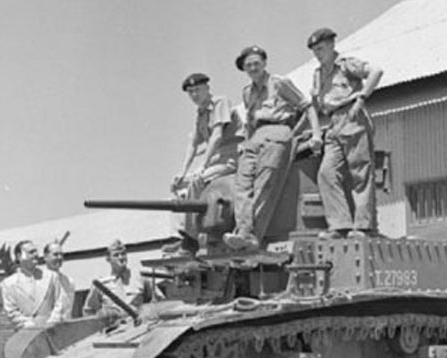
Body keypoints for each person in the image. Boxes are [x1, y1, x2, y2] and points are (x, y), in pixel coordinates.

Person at [223, 45, 322, 251]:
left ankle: (251, 236)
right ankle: (243, 231)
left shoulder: (279, 83)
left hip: (278, 132)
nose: (253, 67)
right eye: (248, 65)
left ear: (264, 63)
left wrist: (314, 133)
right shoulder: (247, 92)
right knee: (242, 185)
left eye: (256, 63)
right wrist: (246, 143)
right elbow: (250, 120)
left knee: (264, 183)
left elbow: (307, 106)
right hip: (255, 137)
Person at [306, 27, 383, 237]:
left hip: (352, 117)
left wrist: (362, 97)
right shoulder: (317, 74)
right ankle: (340, 225)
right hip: (332, 123)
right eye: (315, 51)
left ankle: (363, 227)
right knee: (326, 173)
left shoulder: (347, 65)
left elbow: (376, 71)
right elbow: (313, 104)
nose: (318, 54)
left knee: (360, 173)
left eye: (321, 48)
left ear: (332, 45)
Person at [167, 73, 242, 254]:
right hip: (216, 160)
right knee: (178, 189)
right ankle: (182, 235)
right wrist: (182, 172)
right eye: (191, 92)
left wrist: (202, 166)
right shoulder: (200, 113)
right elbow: (193, 144)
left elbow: (216, 137)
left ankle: (191, 239)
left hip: (232, 157)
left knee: (196, 182)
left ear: (207, 88)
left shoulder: (220, 103)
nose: (194, 95)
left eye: (198, 90)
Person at [83, 239, 158, 321]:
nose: (121, 257)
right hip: (113, 330)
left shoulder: (141, 278)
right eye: (116, 255)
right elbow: (89, 311)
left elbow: (158, 302)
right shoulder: (101, 284)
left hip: (139, 327)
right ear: (108, 259)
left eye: (123, 254)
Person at [43, 240, 75, 320]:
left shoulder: (69, 282)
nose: (59, 257)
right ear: (46, 257)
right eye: (55, 254)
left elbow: (68, 310)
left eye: (61, 255)